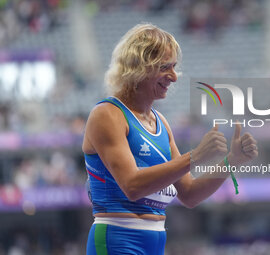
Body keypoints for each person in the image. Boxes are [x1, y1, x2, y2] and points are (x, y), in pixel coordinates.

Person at [83, 23, 258, 255]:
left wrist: (232, 161)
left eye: (174, 67)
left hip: (154, 242)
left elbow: (190, 194)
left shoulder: (160, 123)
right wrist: (195, 156)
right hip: (117, 239)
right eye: (165, 67)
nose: (174, 77)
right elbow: (133, 186)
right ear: (139, 67)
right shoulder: (107, 114)